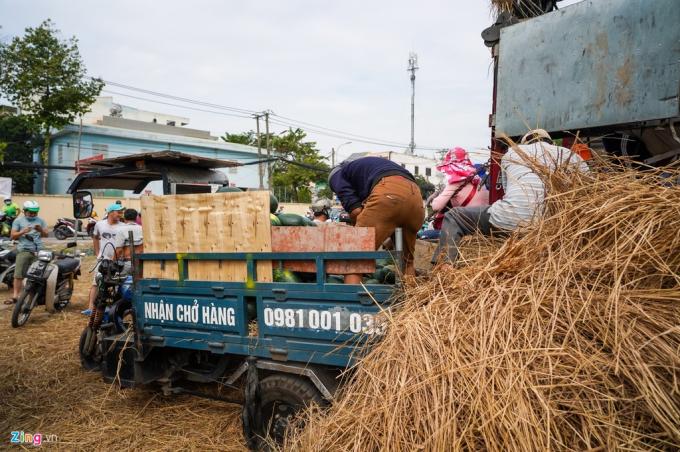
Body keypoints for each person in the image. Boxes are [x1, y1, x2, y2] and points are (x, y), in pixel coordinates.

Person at [433, 129, 588, 264]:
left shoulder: (514, 153)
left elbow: (508, 193)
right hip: (555, 225)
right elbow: (586, 192)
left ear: (525, 144)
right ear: (551, 143)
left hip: (513, 218)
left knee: (453, 217)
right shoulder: (573, 157)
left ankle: (445, 267)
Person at [328, 156, 424, 281]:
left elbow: (356, 210)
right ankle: (410, 298)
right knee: (407, 263)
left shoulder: (337, 175)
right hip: (416, 198)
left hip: (389, 192)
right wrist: (390, 235)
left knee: (355, 260)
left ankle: (350, 299)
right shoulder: (368, 168)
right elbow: (397, 212)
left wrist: (357, 233)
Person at [83, 202, 126, 314]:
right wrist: (97, 252)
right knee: (96, 282)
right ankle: (90, 307)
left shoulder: (123, 226)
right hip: (103, 260)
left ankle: (113, 309)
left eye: (121, 212)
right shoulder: (100, 225)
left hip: (118, 260)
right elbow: (95, 237)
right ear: (110, 213)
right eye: (118, 211)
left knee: (116, 284)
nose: (121, 214)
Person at [429, 147, 489, 227]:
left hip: (470, 226)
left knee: (425, 234)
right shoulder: (477, 177)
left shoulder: (456, 182)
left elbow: (436, 207)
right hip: (484, 222)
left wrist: (433, 200)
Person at [5, 201, 48, 304]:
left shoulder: (41, 221)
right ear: (24, 211)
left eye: (35, 212)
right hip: (24, 250)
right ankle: (15, 296)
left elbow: (46, 235)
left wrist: (40, 230)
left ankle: (34, 297)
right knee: (18, 274)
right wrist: (22, 232)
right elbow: (12, 236)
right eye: (30, 212)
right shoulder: (18, 221)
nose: (33, 214)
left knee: (38, 275)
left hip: (38, 251)